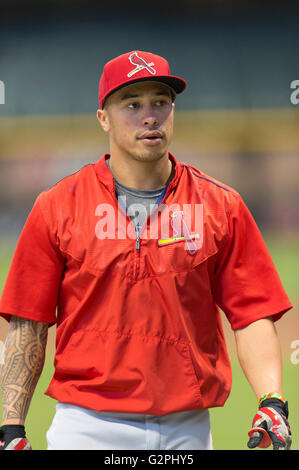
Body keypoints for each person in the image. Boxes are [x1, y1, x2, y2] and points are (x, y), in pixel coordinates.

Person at [0, 50, 293, 451]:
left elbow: (252, 312)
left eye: (160, 102)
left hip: (187, 428)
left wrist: (271, 400)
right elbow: (28, 323)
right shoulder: (57, 205)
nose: (150, 116)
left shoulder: (219, 205)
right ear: (103, 117)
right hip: (86, 427)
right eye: (132, 104)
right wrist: (11, 426)